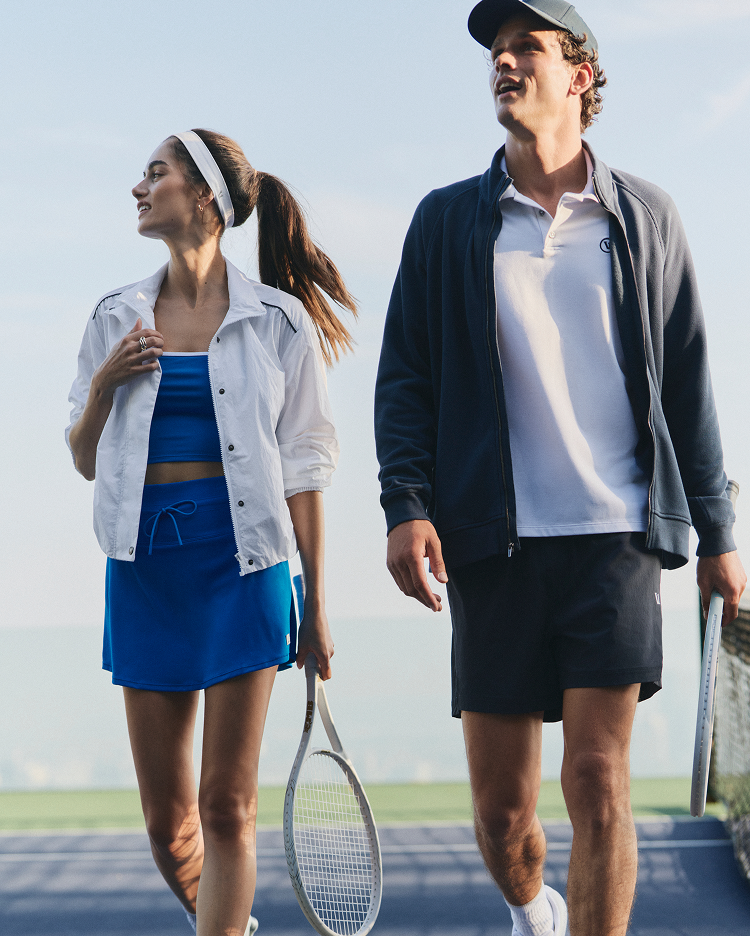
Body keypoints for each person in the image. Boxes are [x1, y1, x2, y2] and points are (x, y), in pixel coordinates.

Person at [374, 2, 747, 934]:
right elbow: (406, 377)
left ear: (580, 74)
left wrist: (718, 534)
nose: (504, 62)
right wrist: (405, 505)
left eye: (526, 48)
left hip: (616, 538)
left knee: (597, 777)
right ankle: (530, 910)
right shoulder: (445, 221)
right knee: (504, 818)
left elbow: (689, 381)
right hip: (490, 543)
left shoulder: (646, 216)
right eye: (496, 52)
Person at [66, 128, 355, 935]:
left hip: (245, 571)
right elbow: (84, 458)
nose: (139, 188)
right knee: (171, 828)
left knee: (227, 805)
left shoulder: (280, 323)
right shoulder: (113, 317)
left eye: (154, 173)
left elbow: (306, 469)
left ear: (204, 199)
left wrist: (316, 605)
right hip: (145, 575)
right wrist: (104, 384)